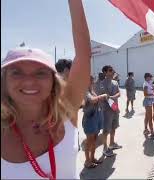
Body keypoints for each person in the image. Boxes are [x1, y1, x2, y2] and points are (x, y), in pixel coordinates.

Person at [1, 0, 91, 178]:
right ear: (4, 81)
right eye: (17, 72)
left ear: (53, 81)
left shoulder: (66, 111)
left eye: (40, 73)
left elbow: (83, 54)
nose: (29, 81)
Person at [82, 76, 107, 168]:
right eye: (91, 80)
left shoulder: (91, 90)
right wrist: (102, 96)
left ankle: (92, 158)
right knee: (89, 141)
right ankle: (87, 161)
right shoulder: (85, 91)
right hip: (90, 119)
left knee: (94, 140)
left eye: (93, 80)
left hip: (96, 117)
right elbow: (92, 100)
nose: (93, 81)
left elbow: (96, 99)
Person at [101, 65, 121, 157]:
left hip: (115, 108)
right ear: (105, 72)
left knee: (114, 127)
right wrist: (111, 98)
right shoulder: (101, 83)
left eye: (112, 70)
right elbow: (104, 97)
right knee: (106, 129)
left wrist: (112, 98)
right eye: (110, 70)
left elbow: (118, 93)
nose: (112, 72)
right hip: (106, 110)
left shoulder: (115, 82)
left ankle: (112, 144)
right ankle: (105, 148)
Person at [143, 73, 154, 137]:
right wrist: (153, 94)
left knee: (147, 116)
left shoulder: (149, 82)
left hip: (150, 100)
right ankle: (152, 132)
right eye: (150, 77)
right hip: (147, 101)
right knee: (150, 117)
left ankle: (145, 129)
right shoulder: (145, 84)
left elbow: (152, 90)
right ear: (147, 77)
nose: (151, 78)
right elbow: (145, 94)